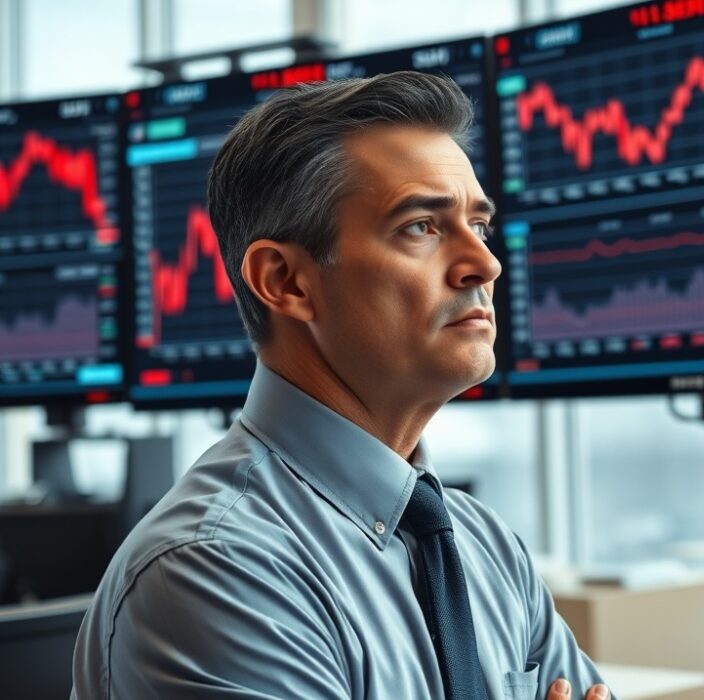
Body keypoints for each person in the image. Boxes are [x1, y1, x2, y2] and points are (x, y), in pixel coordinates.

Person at [72, 71, 612, 700]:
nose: (485, 263)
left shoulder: (487, 546)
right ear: (287, 281)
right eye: (422, 227)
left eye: (479, 225)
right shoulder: (218, 568)